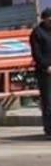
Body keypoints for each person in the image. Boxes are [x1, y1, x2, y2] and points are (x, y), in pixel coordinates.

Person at [30, 7, 51, 138]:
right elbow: (36, 54)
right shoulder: (37, 33)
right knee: (48, 101)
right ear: (44, 19)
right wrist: (46, 66)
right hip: (45, 72)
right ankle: (49, 129)